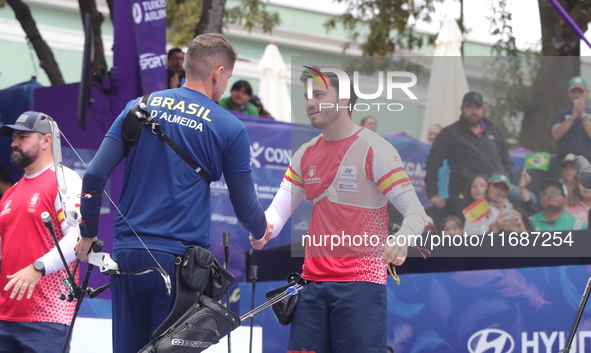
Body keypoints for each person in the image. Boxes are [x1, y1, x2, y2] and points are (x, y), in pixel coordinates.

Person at [74, 34, 270, 353]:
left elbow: (94, 173)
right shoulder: (230, 126)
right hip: (179, 264)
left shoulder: (140, 106)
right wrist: (260, 231)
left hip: (127, 254)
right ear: (217, 72)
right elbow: (244, 204)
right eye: (228, 77)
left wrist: (87, 233)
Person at [252, 64, 430, 353]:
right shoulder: (305, 153)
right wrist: (264, 228)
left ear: (344, 99)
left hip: (360, 284)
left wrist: (402, 238)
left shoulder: (376, 149)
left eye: (318, 94)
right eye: (307, 96)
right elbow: (277, 212)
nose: (310, 103)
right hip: (310, 285)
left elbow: (416, 212)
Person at [0, 111, 81, 353]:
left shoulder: (64, 179)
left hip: (47, 317)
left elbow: (78, 239)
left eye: (23, 136)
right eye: (14, 137)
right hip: (5, 316)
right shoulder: (10, 192)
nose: (14, 143)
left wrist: (38, 267)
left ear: (46, 141)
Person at [425, 91, 514, 215]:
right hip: (467, 195)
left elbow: (507, 161)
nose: (473, 111)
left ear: (483, 109)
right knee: (480, 227)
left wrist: (504, 184)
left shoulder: (494, 130)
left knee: (528, 199)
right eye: (469, 107)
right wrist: (432, 194)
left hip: (498, 192)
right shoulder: (449, 133)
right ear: (462, 109)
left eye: (477, 107)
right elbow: (432, 163)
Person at [552, 76, 591, 163]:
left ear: (587, 93)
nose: (577, 95)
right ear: (569, 93)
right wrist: (572, 117)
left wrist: (582, 114)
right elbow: (556, 135)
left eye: (580, 92)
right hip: (565, 164)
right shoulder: (562, 114)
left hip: (587, 164)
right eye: (574, 92)